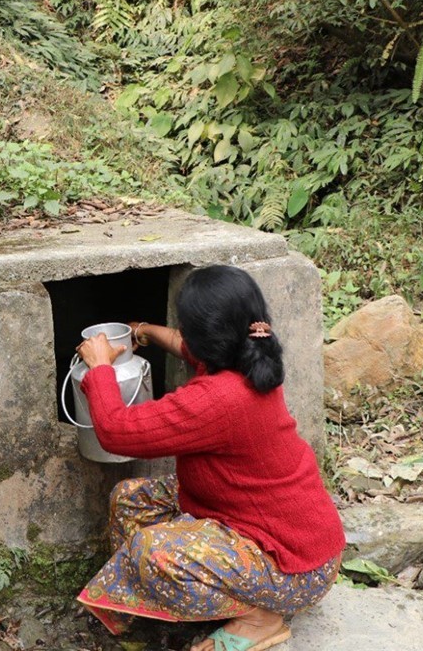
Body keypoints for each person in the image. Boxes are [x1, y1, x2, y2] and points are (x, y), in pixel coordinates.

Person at [73, 265, 344, 651]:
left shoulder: (218, 399)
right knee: (131, 499)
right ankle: (153, 606)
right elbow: (185, 347)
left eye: (186, 328)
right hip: (263, 525)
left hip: (295, 568)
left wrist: (100, 369)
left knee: (153, 551)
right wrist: (144, 331)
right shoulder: (250, 357)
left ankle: (260, 618)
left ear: (207, 337)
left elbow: (116, 432)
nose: (182, 335)